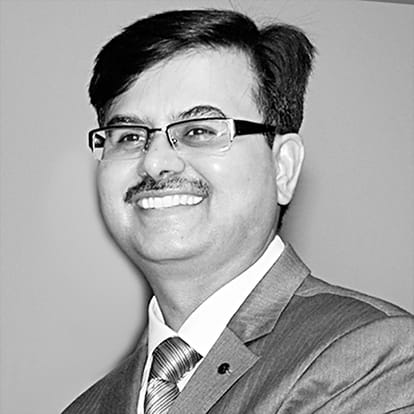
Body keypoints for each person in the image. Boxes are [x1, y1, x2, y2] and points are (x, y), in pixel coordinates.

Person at [62, 8, 414, 414]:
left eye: (199, 131)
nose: (155, 161)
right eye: (128, 136)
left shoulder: (372, 356)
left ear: (282, 167)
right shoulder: (85, 407)